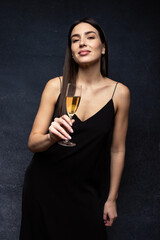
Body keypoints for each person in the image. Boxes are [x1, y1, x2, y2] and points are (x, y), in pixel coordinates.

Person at [19, 18, 130, 240]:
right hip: (44, 188)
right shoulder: (55, 86)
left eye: (90, 37)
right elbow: (33, 143)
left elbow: (117, 149)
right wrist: (51, 136)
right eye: (75, 40)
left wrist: (112, 198)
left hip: (86, 192)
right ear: (71, 51)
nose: (82, 43)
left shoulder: (120, 93)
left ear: (103, 47)